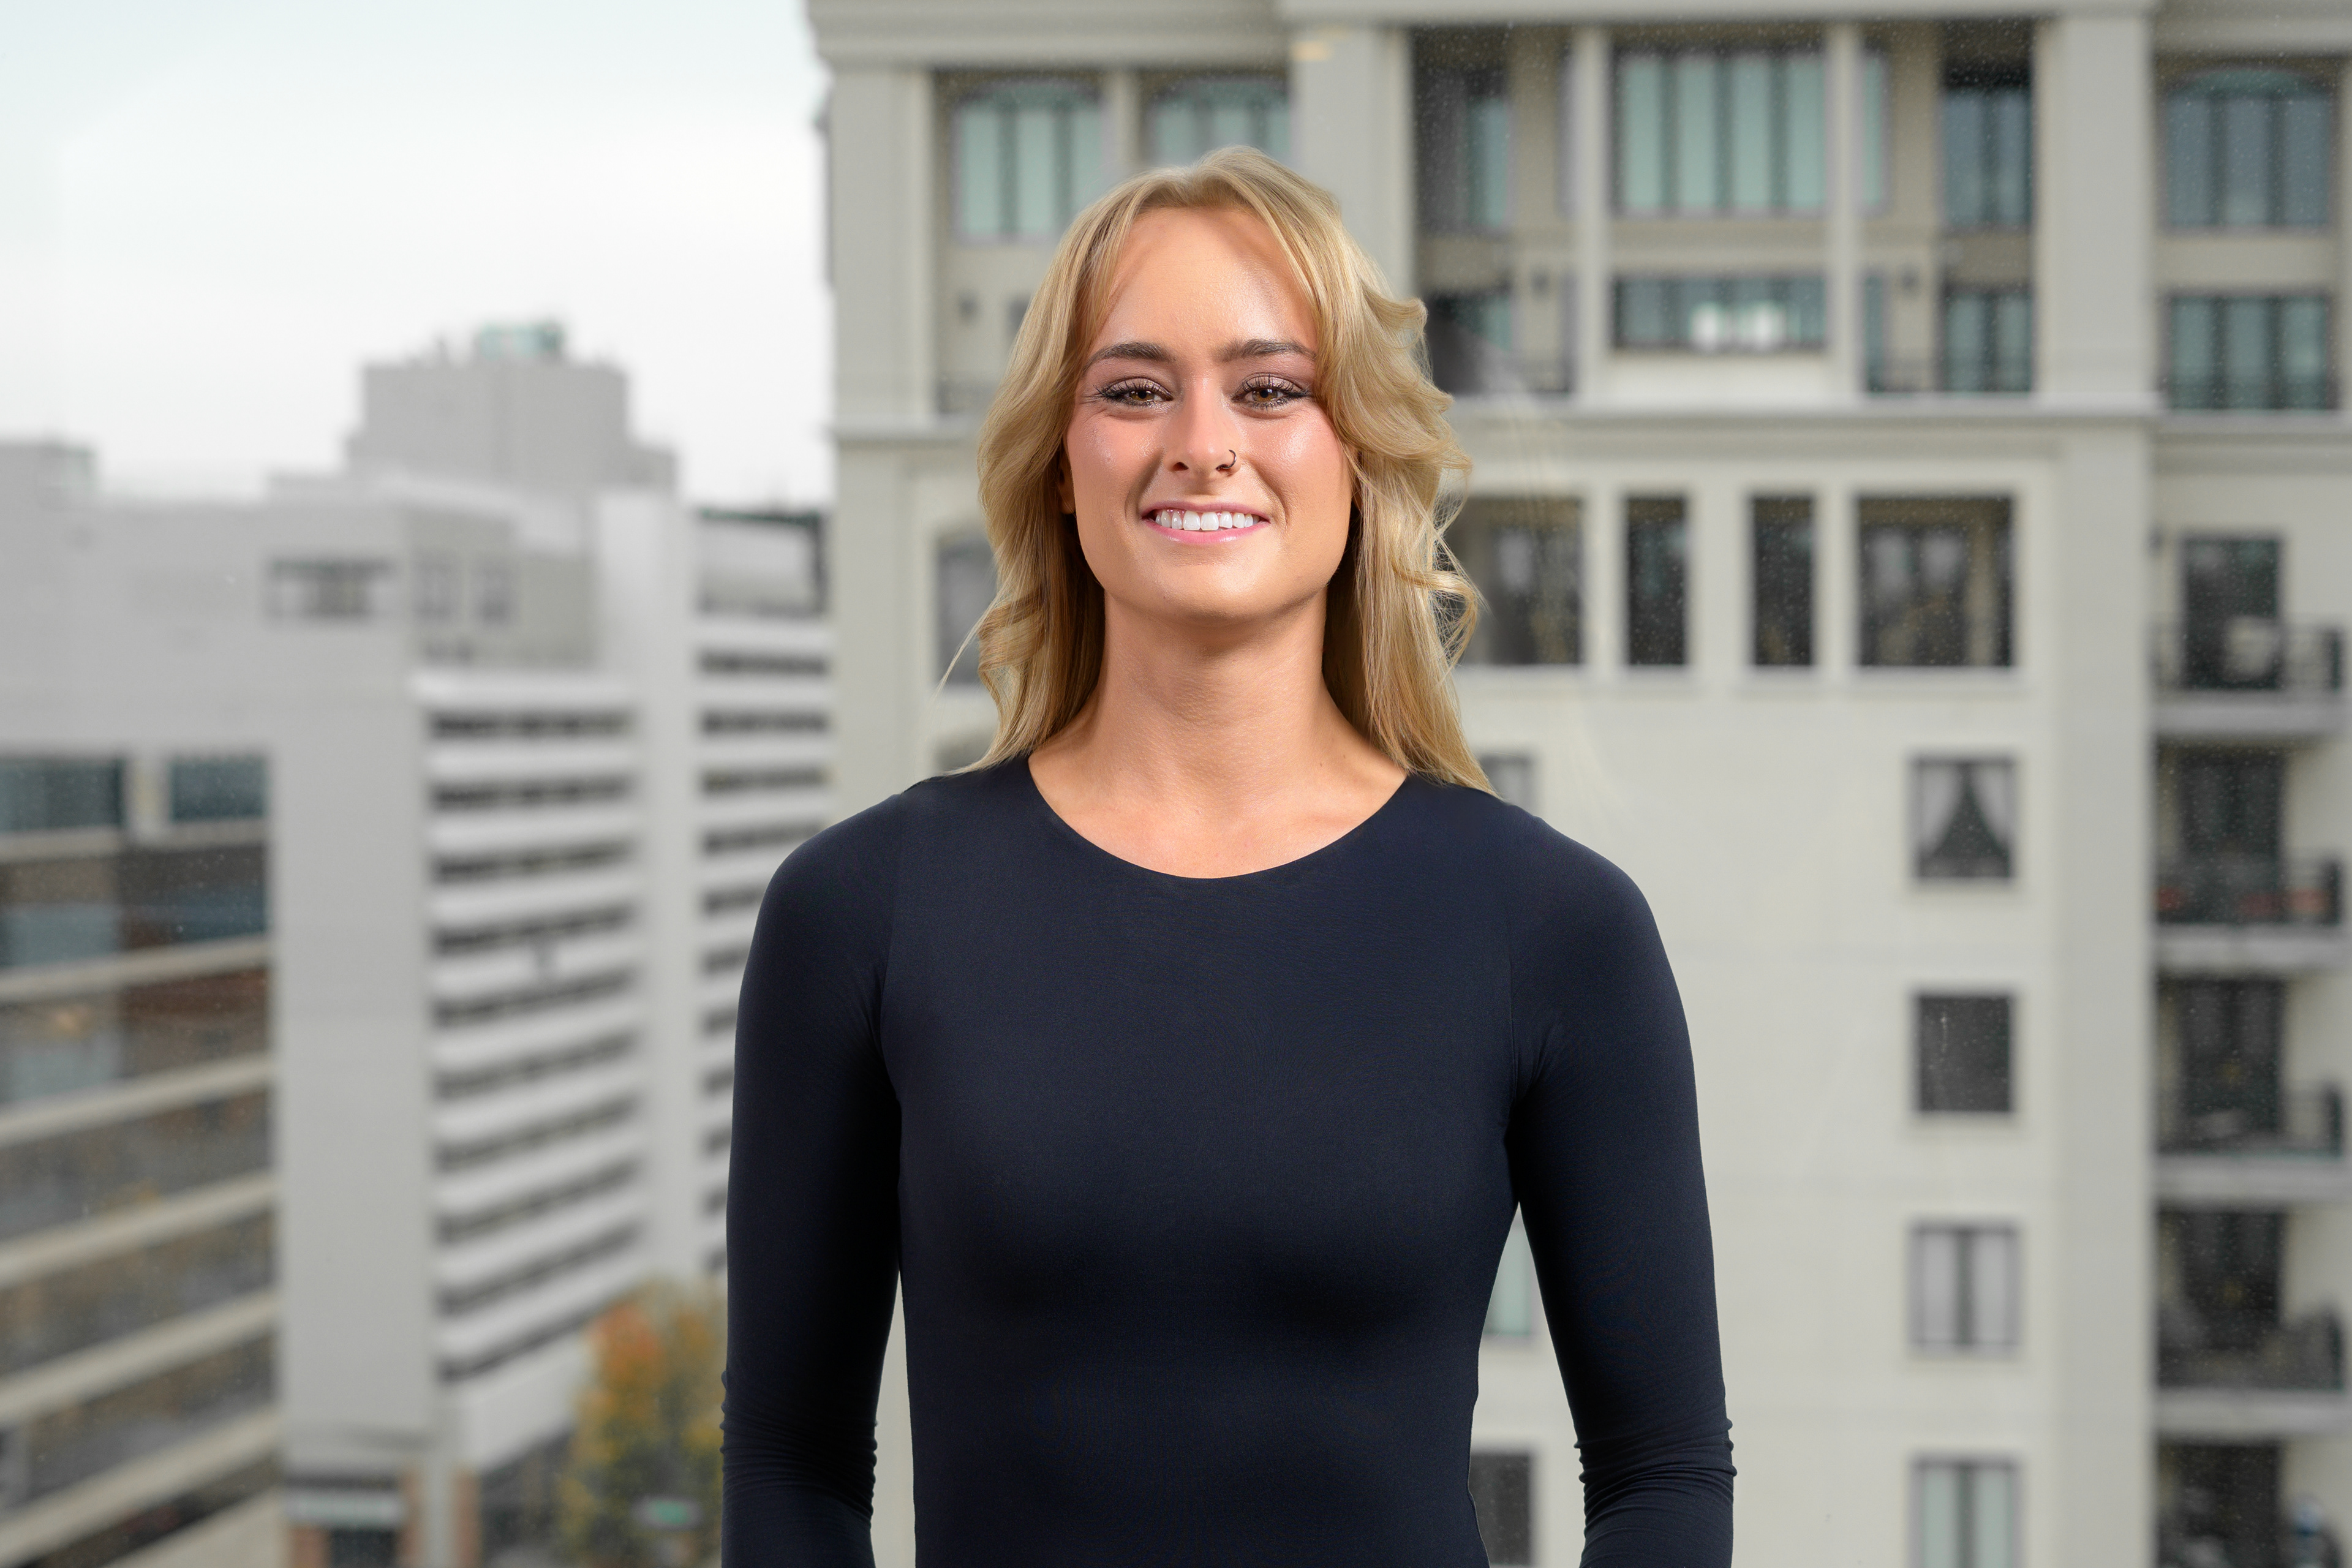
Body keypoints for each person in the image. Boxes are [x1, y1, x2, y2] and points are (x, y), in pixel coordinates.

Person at [723, 146, 1732, 1566]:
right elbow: (791, 1465)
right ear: (1060, 462)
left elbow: (1664, 1476)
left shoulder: (1553, 925)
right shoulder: (860, 911)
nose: (1202, 442)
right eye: (1135, 390)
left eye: (1268, 389)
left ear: (1358, 450)